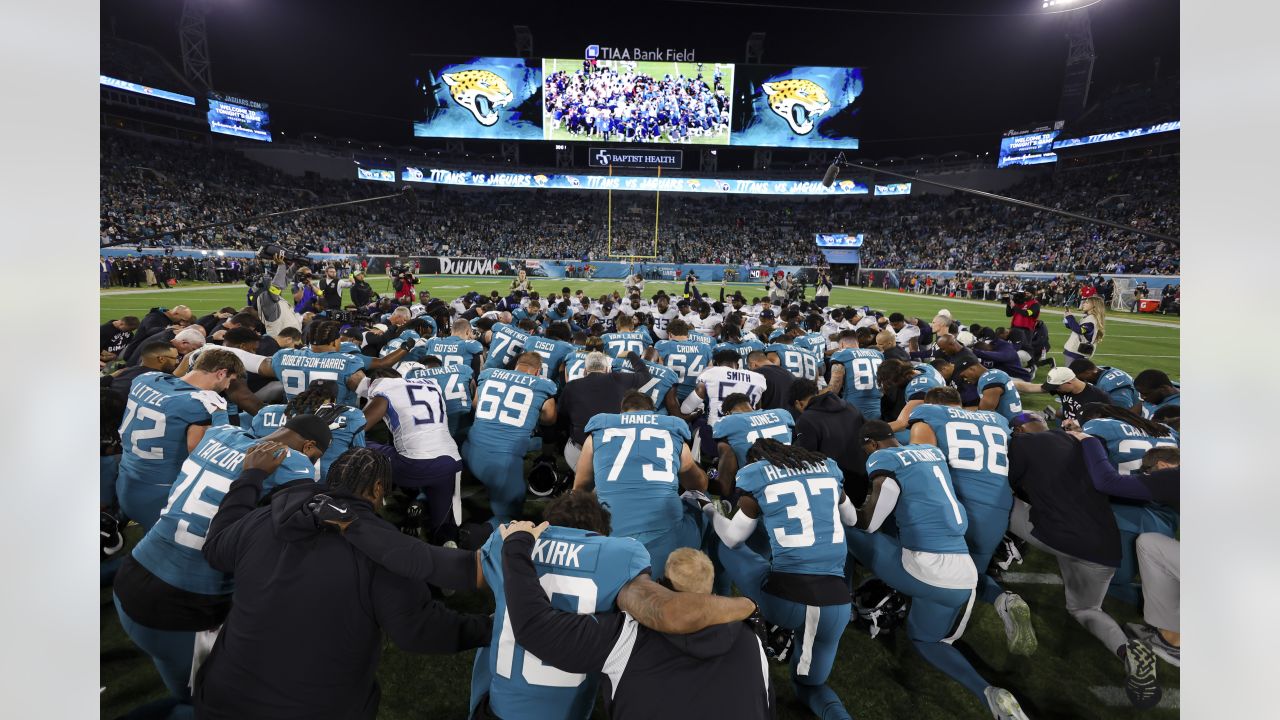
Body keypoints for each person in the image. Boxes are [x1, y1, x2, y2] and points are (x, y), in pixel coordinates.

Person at [194, 447, 492, 720]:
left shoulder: (262, 519)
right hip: (316, 708)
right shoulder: (382, 552)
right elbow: (418, 631)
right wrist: (492, 628)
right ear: (378, 489)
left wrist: (251, 477)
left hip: (224, 698)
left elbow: (216, 548)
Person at [114, 416, 329, 718]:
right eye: (315, 456)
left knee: (185, 684)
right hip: (181, 601)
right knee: (206, 704)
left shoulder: (221, 433)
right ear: (308, 446)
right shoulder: (294, 463)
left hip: (137, 568)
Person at [848, 420, 1031, 720]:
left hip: (924, 570)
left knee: (846, 531)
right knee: (925, 638)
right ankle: (991, 695)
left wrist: (841, 504)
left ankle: (840, 603)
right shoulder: (929, 452)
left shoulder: (881, 458)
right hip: (963, 575)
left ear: (870, 444)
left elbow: (869, 522)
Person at [498, 522, 772, 719]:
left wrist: (516, 545)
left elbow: (535, 628)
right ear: (711, 593)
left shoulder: (624, 637)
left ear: (662, 584)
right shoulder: (752, 642)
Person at [1005, 412, 1162, 708]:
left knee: (995, 498)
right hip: (1104, 548)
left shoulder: (1022, 444)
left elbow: (1009, 482)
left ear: (1020, 430)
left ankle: (1002, 551)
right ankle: (1128, 652)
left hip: (1059, 535)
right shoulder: (1088, 442)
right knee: (1085, 608)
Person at [704, 439, 855, 720]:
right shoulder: (828, 468)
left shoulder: (757, 475)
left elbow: (732, 537)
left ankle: (717, 612)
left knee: (723, 543)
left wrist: (709, 509)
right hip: (837, 606)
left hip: (787, 601)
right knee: (809, 685)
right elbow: (852, 518)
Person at [907, 387, 1035, 656]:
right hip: (997, 509)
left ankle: (937, 635)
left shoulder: (929, 413)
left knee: (939, 575)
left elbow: (924, 463)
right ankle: (1005, 600)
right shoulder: (997, 420)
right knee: (971, 573)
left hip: (956, 506)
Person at [574, 391, 707, 578]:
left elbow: (579, 489)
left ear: (622, 412)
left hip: (611, 541)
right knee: (704, 507)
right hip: (666, 544)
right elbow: (698, 485)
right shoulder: (671, 431)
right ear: (652, 412)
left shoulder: (599, 431)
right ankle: (710, 584)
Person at [1073, 438, 1181, 666]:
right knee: (1154, 544)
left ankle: (1173, 640)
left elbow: (1106, 481)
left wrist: (1089, 441)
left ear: (1161, 467)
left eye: (1148, 472)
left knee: (1147, 547)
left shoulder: (1176, 476)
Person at [115, 349, 243, 530]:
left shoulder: (146, 379)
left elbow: (173, 387)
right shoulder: (203, 404)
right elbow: (202, 453)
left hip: (125, 478)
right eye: (230, 380)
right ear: (221, 373)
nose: (228, 387)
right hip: (160, 493)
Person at [360, 368, 464, 544]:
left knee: (361, 443)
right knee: (444, 521)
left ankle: (385, 508)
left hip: (413, 467)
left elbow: (358, 426)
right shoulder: (432, 384)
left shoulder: (384, 388)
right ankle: (447, 541)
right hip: (450, 462)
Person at [463, 352, 559, 523]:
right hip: (503, 462)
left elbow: (475, 404)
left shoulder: (489, 374)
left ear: (516, 366)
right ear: (537, 371)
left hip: (469, 449)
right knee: (510, 518)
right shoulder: (543, 385)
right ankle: (475, 534)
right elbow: (549, 419)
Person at [250, 380, 366, 480]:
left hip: (264, 478)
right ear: (334, 399)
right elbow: (359, 459)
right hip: (323, 488)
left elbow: (248, 444)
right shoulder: (350, 416)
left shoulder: (268, 412)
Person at [558, 350, 651, 467]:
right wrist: (631, 354)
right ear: (607, 369)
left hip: (581, 453)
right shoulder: (620, 379)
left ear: (585, 371)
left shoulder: (571, 386)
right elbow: (646, 376)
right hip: (615, 453)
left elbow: (561, 417)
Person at [679, 349, 768, 462]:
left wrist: (688, 411)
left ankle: (696, 461)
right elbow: (757, 408)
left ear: (716, 364)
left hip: (717, 436)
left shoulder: (711, 372)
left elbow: (691, 402)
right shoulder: (759, 377)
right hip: (749, 435)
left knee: (698, 421)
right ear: (738, 364)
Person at [789, 379, 869, 503]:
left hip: (835, 488)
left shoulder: (806, 419)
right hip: (862, 481)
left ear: (799, 403)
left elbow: (808, 459)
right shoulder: (850, 406)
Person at [711, 392, 795, 495]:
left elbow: (728, 451)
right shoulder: (782, 413)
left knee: (724, 447)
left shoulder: (727, 421)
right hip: (789, 472)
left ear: (728, 413)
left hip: (756, 481)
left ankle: (725, 493)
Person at [1014, 366, 1113, 425]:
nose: (1055, 390)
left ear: (1069, 382)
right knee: (1018, 416)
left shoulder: (1098, 397)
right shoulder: (1063, 389)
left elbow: (1102, 425)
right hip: (1066, 428)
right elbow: (1029, 388)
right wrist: (1005, 381)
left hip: (1082, 435)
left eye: (1057, 387)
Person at [827, 330, 885, 420]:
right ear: (857, 342)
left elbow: (835, 387)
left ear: (841, 344)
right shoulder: (878, 354)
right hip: (878, 408)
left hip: (853, 410)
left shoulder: (841, 354)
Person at [653, 318, 712, 404]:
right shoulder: (705, 347)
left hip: (671, 396)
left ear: (670, 334)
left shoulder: (662, 345)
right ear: (687, 335)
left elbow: (659, 371)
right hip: (697, 396)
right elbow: (710, 372)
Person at [1068, 358, 1139, 409]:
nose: (1080, 381)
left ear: (1088, 372)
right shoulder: (1098, 370)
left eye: (1080, 379)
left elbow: (1123, 409)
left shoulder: (1113, 384)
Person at [1063, 296, 1106, 364]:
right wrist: (1067, 318)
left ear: (1094, 306)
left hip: (1077, 352)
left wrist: (1070, 317)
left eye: (1087, 302)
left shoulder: (1091, 320)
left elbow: (1079, 330)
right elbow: (1074, 327)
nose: (1083, 304)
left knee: (1072, 373)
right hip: (1076, 351)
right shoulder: (1088, 317)